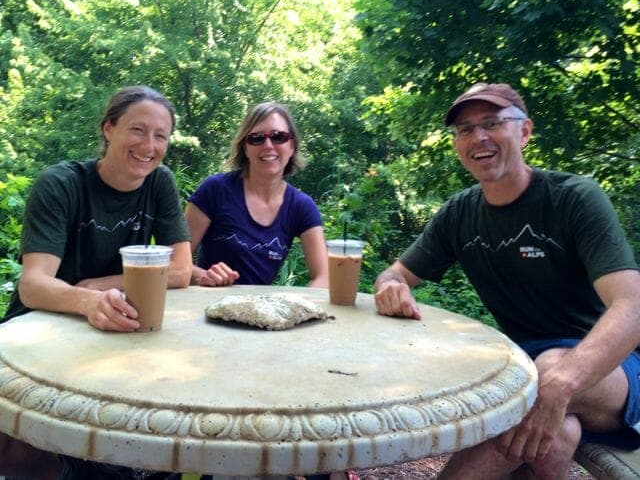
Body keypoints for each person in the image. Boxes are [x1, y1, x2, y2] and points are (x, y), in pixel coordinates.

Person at [374, 82, 640, 479]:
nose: (478, 136)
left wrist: (562, 380)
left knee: (549, 369)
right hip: (523, 365)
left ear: (525, 131)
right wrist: (390, 287)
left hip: (616, 369)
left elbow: (633, 305)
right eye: (465, 129)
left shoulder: (574, 198)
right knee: (559, 430)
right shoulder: (459, 213)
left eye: (492, 123)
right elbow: (394, 273)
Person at [1, 85, 192, 478]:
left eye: (161, 136)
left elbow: (181, 269)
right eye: (138, 130)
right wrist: (86, 302)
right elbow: (34, 285)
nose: (149, 145)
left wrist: (99, 286)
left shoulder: (159, 183)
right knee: (30, 456)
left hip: (116, 326)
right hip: (41, 329)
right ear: (109, 129)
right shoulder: (62, 183)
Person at [185, 101, 328, 288]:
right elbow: (174, 263)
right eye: (257, 138)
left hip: (260, 311)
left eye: (278, 137)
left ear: (292, 145)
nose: (268, 145)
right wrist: (203, 276)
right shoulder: (215, 190)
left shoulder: (301, 206)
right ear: (245, 147)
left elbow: (324, 277)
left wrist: (293, 309)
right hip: (206, 308)